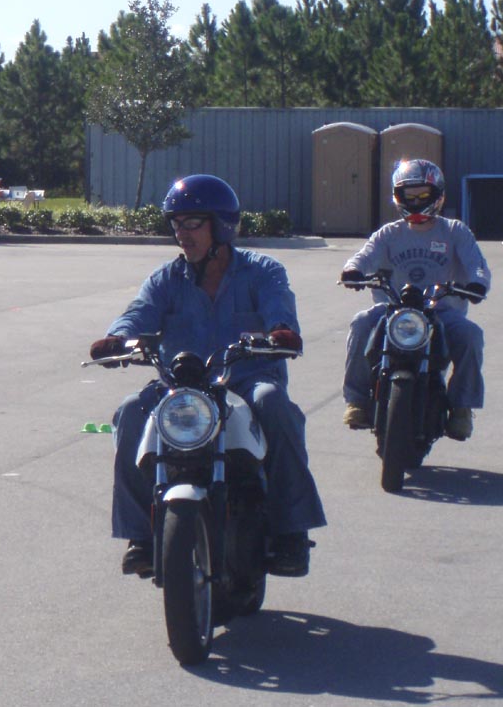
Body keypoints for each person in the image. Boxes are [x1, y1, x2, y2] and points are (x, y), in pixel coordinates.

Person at [89, 174, 326, 578]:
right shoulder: (166, 279)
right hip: (179, 385)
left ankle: (291, 531)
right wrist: (117, 339)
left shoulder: (263, 271)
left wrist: (281, 332)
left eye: (192, 223)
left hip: (245, 382)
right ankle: (141, 536)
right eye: (176, 224)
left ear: (222, 225)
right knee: (129, 412)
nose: (182, 233)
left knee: (274, 405)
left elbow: (279, 309)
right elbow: (139, 312)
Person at [340, 159, 490, 440]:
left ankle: (461, 408)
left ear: (438, 195)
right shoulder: (389, 233)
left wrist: (477, 283)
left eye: (423, 194)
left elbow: (477, 265)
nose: (416, 200)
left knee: (471, 336)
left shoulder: (455, 231)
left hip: (440, 310)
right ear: (398, 196)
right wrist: (353, 270)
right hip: (392, 310)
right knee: (360, 324)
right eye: (410, 194)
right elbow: (364, 255)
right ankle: (357, 401)